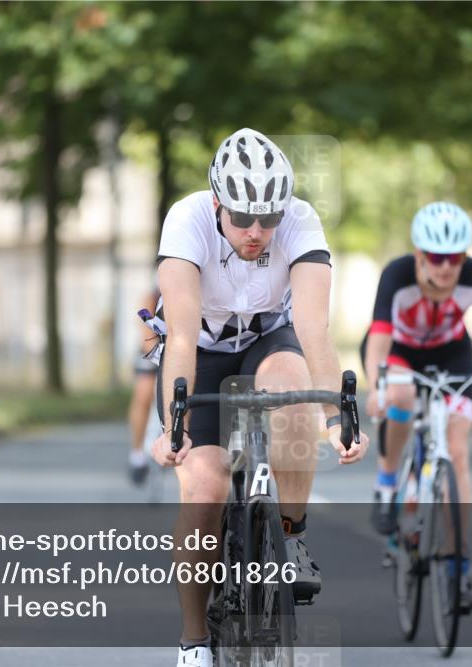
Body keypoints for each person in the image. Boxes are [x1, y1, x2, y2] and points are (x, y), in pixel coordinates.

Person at [147, 128, 369, 667]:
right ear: (218, 202)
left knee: (292, 390)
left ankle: (289, 535)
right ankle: (194, 639)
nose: (256, 232)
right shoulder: (187, 220)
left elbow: (314, 330)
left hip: (271, 338)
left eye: (268, 219)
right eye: (243, 218)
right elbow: (178, 337)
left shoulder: (300, 221)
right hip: (199, 347)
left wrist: (337, 417)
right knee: (206, 484)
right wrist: (172, 432)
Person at [361, 201, 472, 614]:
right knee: (402, 397)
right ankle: (386, 480)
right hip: (399, 353)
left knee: (458, 452)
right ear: (420, 255)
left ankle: (456, 563)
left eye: (454, 258)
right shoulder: (396, 275)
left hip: (452, 356)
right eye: (436, 257)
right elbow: (377, 337)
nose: (446, 267)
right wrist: (375, 385)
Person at [127, 287, 161, 485]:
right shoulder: (152, 296)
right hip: (153, 347)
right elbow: (145, 330)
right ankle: (137, 453)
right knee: (144, 393)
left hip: (181, 347)